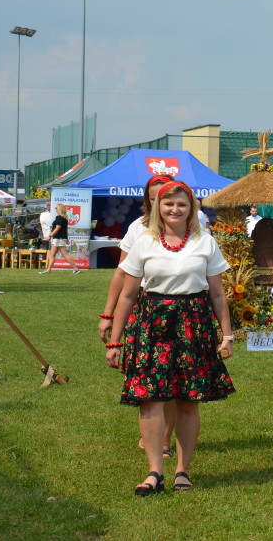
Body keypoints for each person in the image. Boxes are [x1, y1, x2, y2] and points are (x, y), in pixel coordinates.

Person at [105, 181, 235, 495]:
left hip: (193, 323)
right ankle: (154, 471)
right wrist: (115, 339)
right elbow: (127, 294)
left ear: (191, 209)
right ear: (157, 208)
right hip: (151, 323)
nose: (174, 210)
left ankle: (182, 471)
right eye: (168, 204)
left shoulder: (206, 242)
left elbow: (217, 294)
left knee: (188, 400)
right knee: (150, 398)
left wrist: (227, 335)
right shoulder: (144, 242)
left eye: (181, 204)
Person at [98, 174, 177, 456]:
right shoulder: (138, 227)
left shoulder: (194, 226)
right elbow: (122, 273)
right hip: (145, 308)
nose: (161, 204)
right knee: (147, 374)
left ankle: (165, 440)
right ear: (148, 200)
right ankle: (153, 431)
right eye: (154, 198)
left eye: (165, 198)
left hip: (182, 310)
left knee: (174, 378)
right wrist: (108, 314)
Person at [42, 203, 80, 274]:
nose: (55, 209)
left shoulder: (59, 218)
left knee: (65, 254)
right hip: (58, 238)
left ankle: (76, 269)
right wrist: (67, 238)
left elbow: (57, 228)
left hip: (58, 238)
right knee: (52, 255)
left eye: (56, 208)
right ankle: (48, 270)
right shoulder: (65, 219)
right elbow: (66, 229)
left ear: (59, 209)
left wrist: (49, 236)